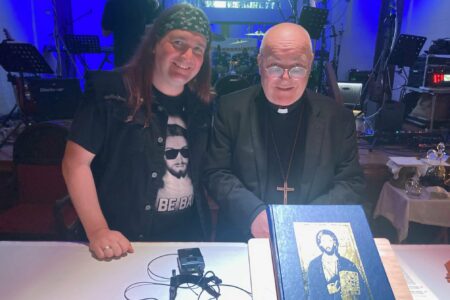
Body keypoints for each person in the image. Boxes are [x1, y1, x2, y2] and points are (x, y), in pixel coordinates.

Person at [62, 4, 213, 259]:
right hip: (123, 243)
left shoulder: (203, 105)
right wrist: (99, 230)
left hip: (186, 239)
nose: (188, 56)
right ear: (154, 44)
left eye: (198, 48)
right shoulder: (111, 92)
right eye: (178, 43)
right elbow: (75, 164)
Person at [203, 22, 366, 242]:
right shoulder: (230, 108)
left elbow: (350, 182)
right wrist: (252, 214)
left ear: (309, 66)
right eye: (275, 67)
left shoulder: (337, 118)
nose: (286, 78)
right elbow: (216, 172)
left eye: (297, 68)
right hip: (242, 237)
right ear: (260, 63)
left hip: (313, 238)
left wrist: (306, 220)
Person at [307, 230, 369, 299]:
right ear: (320, 244)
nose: (327, 244)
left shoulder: (347, 264)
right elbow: (312, 292)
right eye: (324, 241)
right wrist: (326, 290)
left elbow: (362, 291)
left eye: (330, 240)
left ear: (334, 242)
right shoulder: (314, 265)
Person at [102, 0, 160, 67]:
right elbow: (152, 29)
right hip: (141, 52)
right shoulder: (148, 3)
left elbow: (105, 33)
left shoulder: (112, 3)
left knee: (121, 75)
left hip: (121, 54)